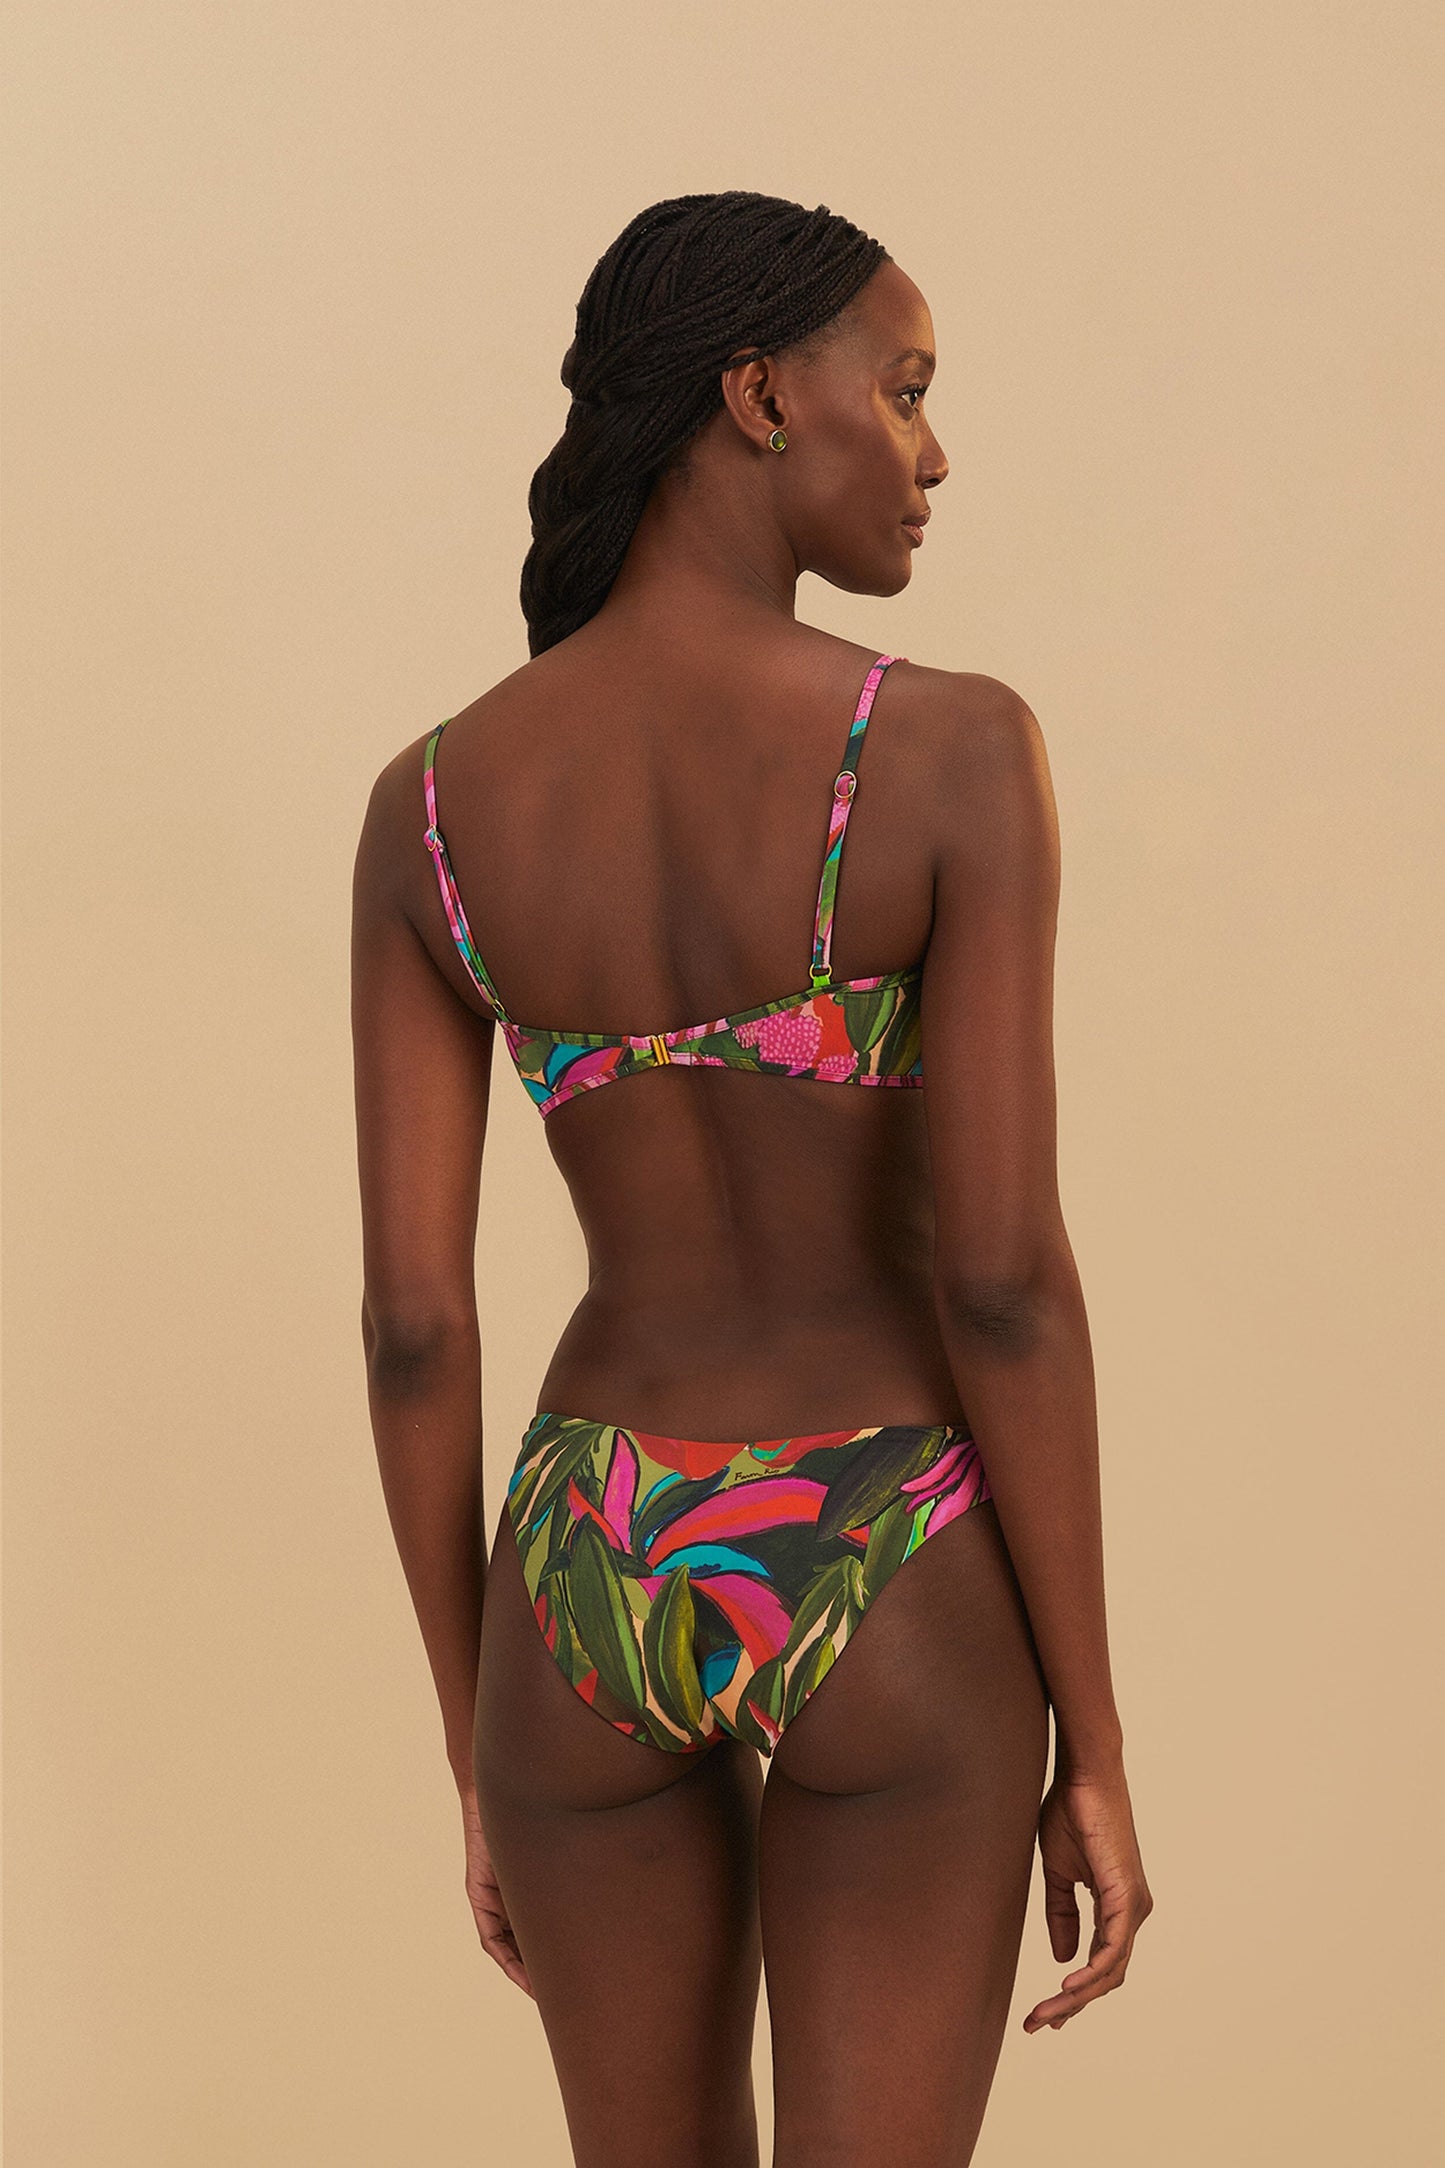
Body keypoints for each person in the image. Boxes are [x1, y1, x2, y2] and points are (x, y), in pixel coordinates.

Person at [351, 190, 1152, 2168]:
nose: (933, 455)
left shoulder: (430, 808)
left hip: (583, 1558)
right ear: (757, 397)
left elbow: (415, 1325)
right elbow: (1000, 1284)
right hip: (879, 1531)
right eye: (905, 390)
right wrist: (1096, 1739)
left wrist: (477, 1734)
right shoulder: (946, 753)